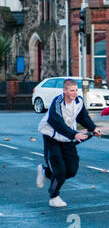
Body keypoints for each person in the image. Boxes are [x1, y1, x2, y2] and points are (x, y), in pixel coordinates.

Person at [36, 78, 101, 208]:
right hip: (52, 138)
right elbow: (57, 122)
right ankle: (54, 196)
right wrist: (74, 134)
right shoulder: (57, 102)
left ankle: (45, 172)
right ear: (64, 90)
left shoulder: (78, 101)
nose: (75, 93)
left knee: (71, 170)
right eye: (72, 90)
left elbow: (83, 117)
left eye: (76, 90)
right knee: (59, 170)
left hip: (66, 139)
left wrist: (94, 128)